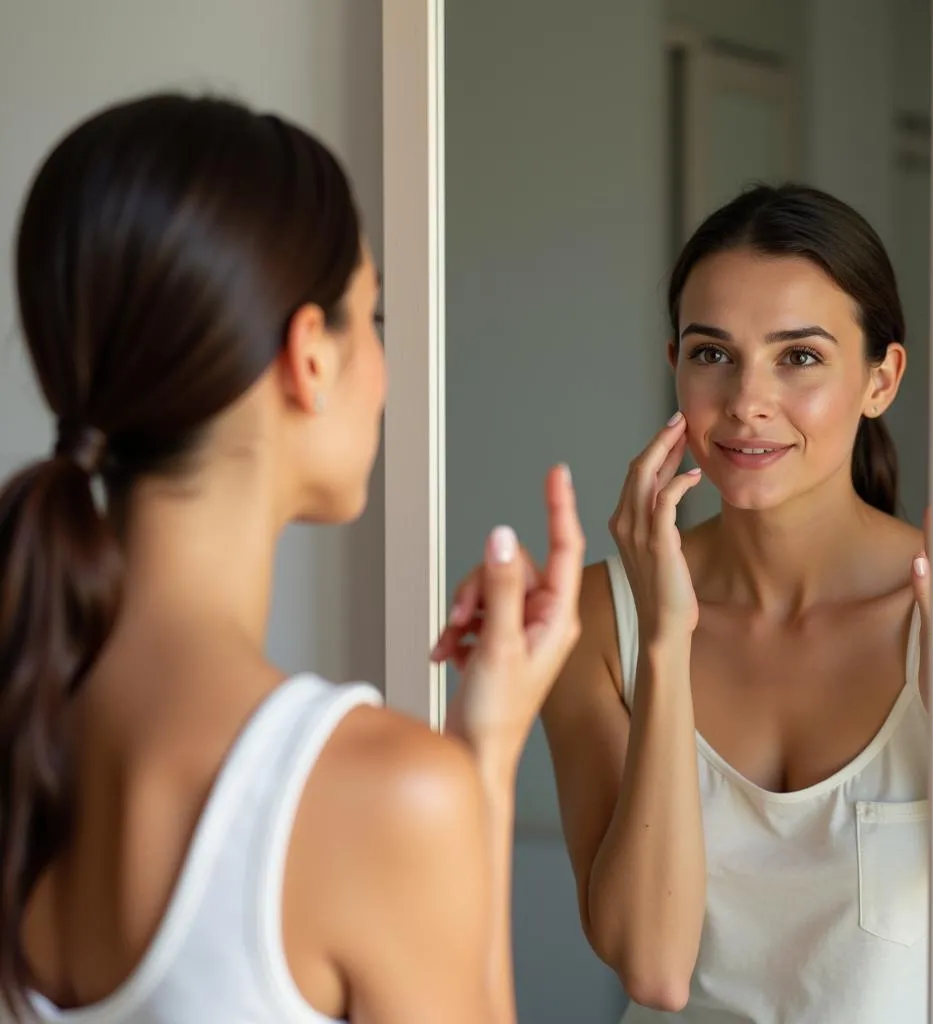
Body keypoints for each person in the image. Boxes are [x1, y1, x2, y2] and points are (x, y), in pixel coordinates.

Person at [0, 93, 584, 1024]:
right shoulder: (378, 797)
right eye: (374, 315)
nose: (384, 370)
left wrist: (481, 755)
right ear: (309, 356)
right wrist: (478, 776)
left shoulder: (31, 728)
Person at [540, 184, 933, 1024]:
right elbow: (652, 968)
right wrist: (665, 644)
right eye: (713, 353)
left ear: (881, 379)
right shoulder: (602, 621)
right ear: (673, 363)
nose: (747, 400)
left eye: (799, 357)